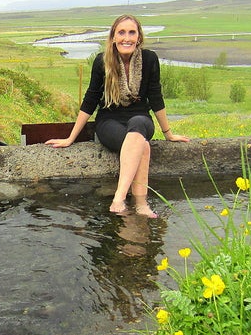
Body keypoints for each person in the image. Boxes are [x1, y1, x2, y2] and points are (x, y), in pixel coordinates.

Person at [46, 15, 190, 218]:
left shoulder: (149, 59)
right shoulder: (102, 62)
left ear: (139, 37)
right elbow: (90, 100)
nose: (127, 38)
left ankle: (119, 198)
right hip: (109, 121)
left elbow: (156, 98)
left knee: (139, 125)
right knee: (143, 146)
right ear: (113, 37)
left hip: (140, 119)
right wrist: (70, 138)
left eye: (132, 32)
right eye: (121, 32)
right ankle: (140, 204)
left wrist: (169, 134)